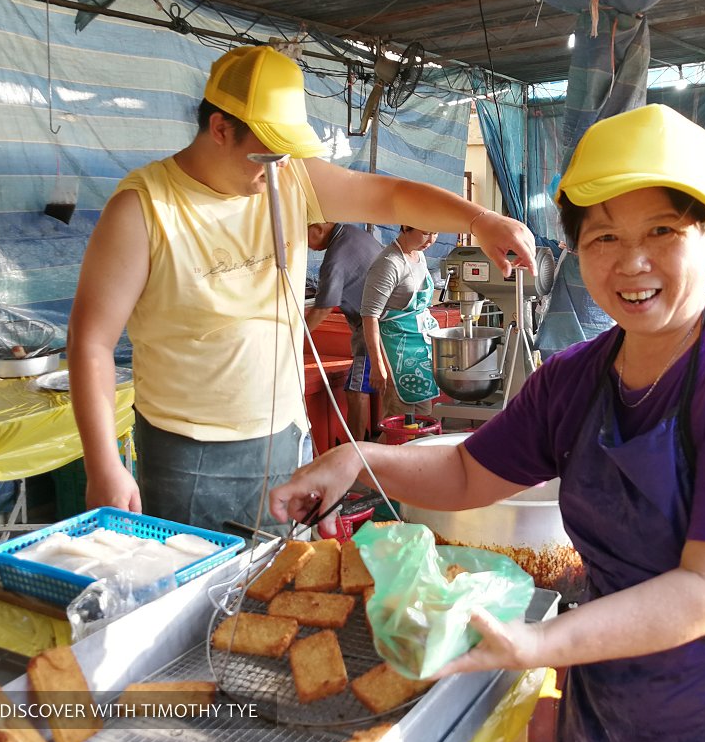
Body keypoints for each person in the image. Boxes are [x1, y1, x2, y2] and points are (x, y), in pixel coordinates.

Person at [271, 104, 705, 742]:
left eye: (662, 230)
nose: (632, 263)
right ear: (576, 250)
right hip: (617, 683)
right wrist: (357, 459)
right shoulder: (576, 379)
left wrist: (542, 641)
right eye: (603, 237)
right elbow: (465, 475)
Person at [68, 45, 535, 534]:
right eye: (266, 152)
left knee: (285, 583)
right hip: (188, 451)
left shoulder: (290, 176)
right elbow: (91, 343)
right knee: (204, 597)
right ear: (221, 129)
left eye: (287, 151)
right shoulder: (143, 209)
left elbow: (390, 195)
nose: (278, 166)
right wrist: (104, 464)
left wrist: (479, 219)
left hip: (285, 437)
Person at [305, 221, 384, 441]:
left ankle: (357, 450)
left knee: (356, 389)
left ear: (319, 227)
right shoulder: (354, 233)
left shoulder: (335, 258)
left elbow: (323, 308)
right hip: (385, 319)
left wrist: (295, 338)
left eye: (306, 237)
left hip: (375, 325)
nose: (308, 246)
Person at [361, 225, 441, 426]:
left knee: (423, 421)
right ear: (406, 226)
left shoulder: (418, 256)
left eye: (435, 232)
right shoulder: (389, 263)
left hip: (420, 352)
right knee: (399, 426)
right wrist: (377, 364)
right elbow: (369, 315)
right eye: (425, 231)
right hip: (395, 353)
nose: (430, 239)